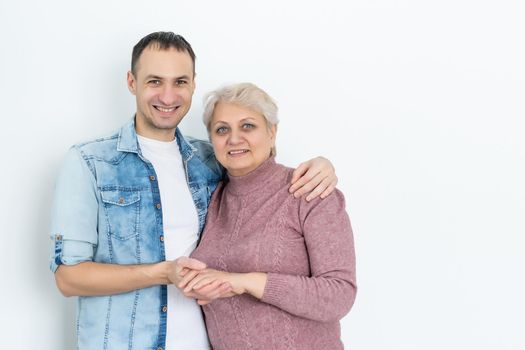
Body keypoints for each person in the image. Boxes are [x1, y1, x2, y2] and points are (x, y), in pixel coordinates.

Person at [49, 32, 338, 350]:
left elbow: (260, 180)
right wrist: (164, 273)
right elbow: (68, 278)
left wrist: (323, 166)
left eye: (180, 82)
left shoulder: (210, 160)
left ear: (193, 85)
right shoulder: (90, 161)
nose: (168, 96)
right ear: (132, 82)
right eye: (155, 81)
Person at [182, 82, 357, 349]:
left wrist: (247, 282)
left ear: (272, 132)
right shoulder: (209, 197)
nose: (234, 138)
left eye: (248, 126)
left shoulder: (308, 191)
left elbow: (339, 294)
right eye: (221, 129)